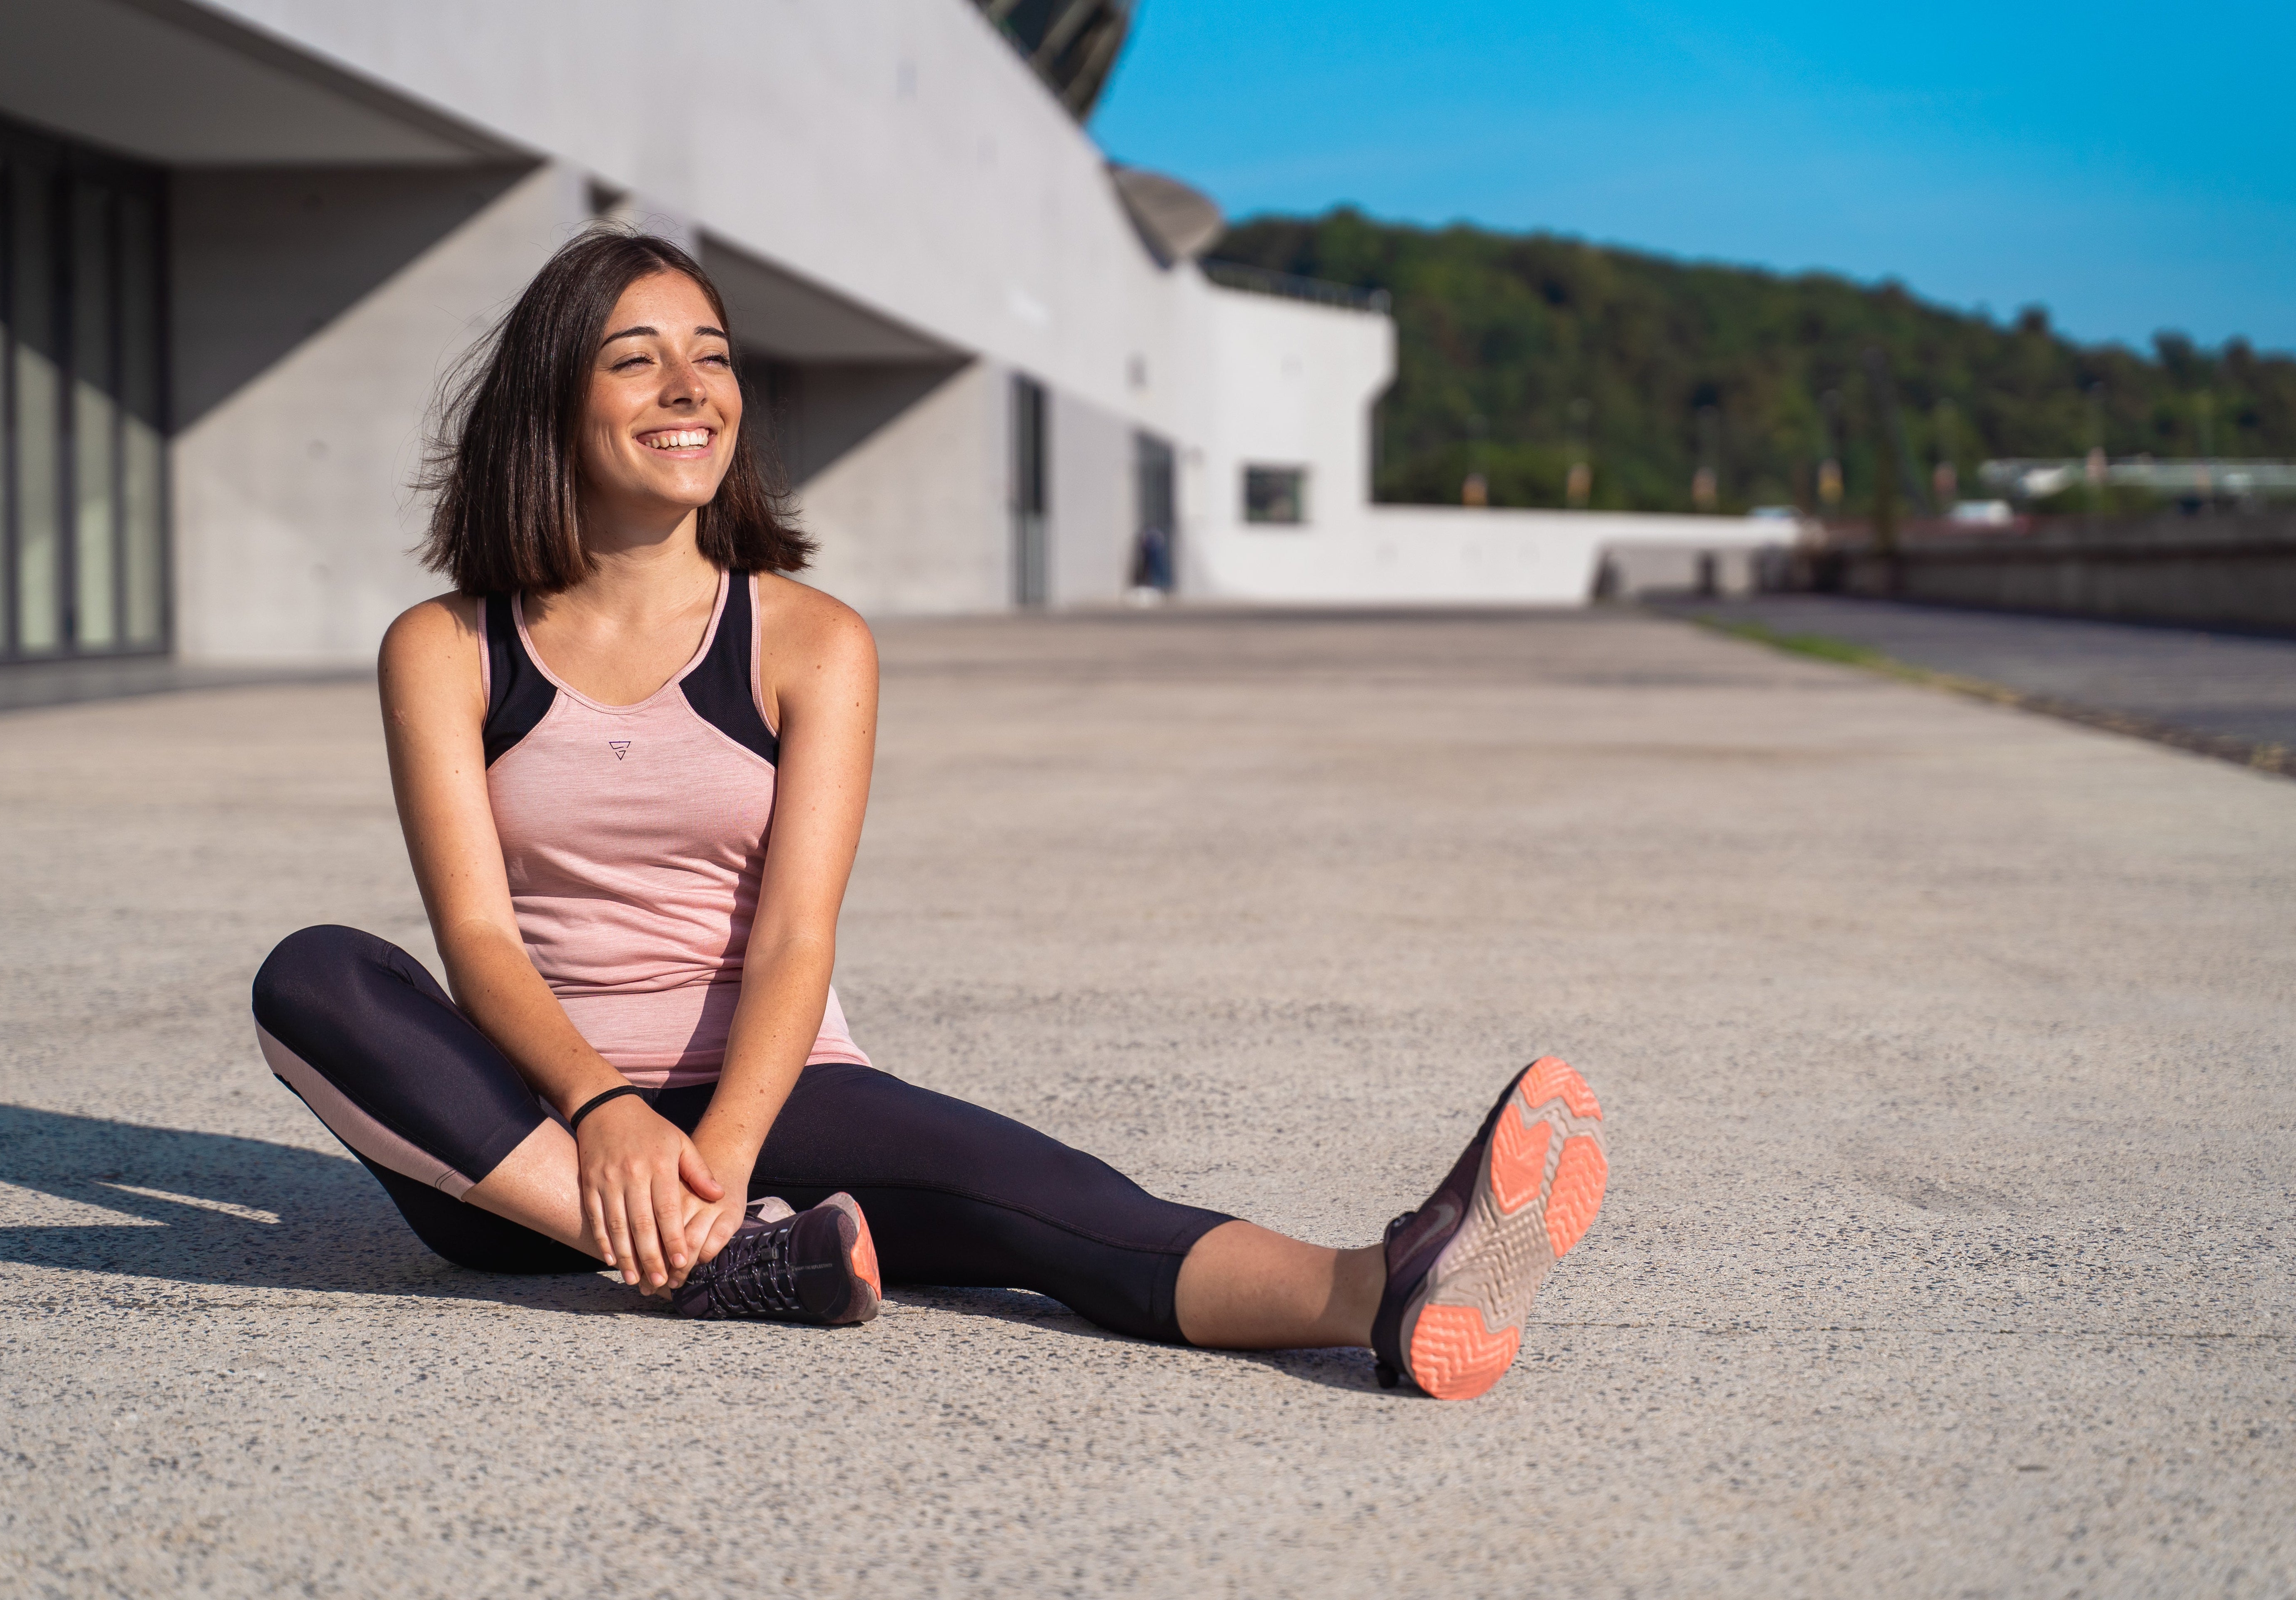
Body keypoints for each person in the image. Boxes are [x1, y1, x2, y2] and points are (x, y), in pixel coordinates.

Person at [249, 230, 1608, 1399]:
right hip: (530, 1146)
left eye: (714, 355)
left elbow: (794, 941)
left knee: (1058, 1209)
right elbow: (478, 937)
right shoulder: (446, 648)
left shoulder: (809, 642)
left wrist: (719, 1155)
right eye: (636, 357)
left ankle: (1385, 1285)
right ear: (554, 402)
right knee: (316, 978)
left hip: (772, 1099)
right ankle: (719, 1263)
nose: (691, 389)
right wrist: (603, 1112)